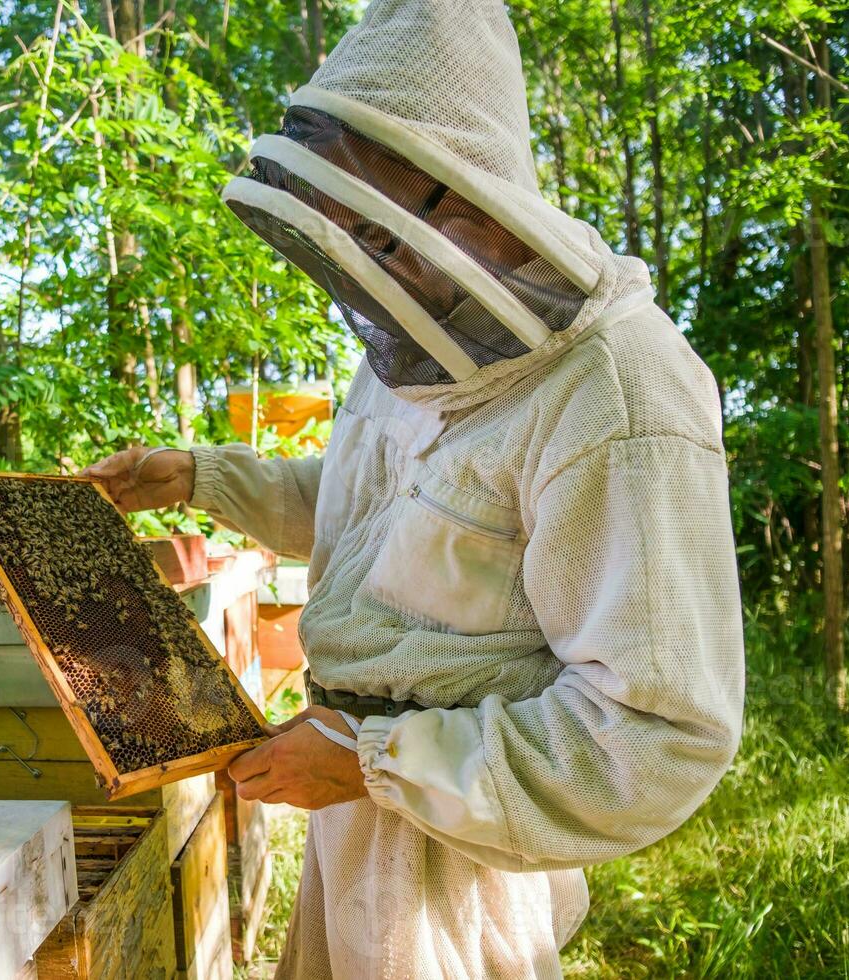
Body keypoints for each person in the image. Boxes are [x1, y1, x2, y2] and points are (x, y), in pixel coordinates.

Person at [84, 1, 744, 976]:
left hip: (457, 850)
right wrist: (205, 476)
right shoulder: (414, 343)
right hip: (360, 814)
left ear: (463, 196)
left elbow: (656, 728)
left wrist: (371, 763)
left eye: (378, 228)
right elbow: (378, 513)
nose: (363, 258)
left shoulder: (615, 393)